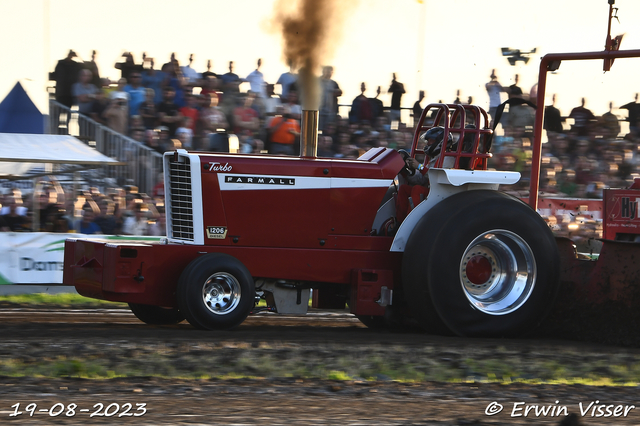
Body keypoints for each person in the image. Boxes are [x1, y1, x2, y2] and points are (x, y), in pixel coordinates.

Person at [319, 66, 342, 131]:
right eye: (327, 71)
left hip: (330, 112)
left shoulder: (333, 83)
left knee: (329, 130)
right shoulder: (317, 82)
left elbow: (339, 92)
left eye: (330, 71)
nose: (328, 73)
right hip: (319, 111)